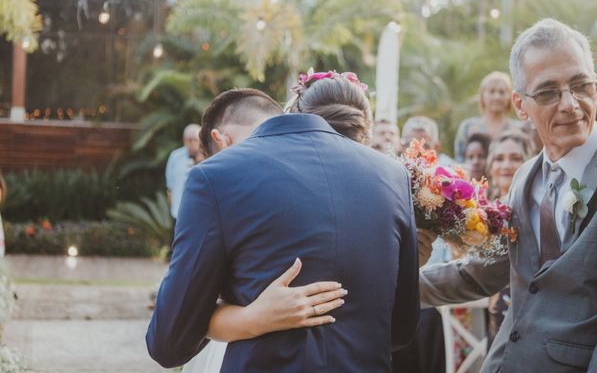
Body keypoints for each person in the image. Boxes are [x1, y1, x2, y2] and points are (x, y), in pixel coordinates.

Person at [146, 78, 420, 371]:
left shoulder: (213, 177)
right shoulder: (393, 175)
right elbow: (401, 328)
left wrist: (234, 317)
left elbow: (168, 341)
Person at [419, 18, 597, 371]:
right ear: (520, 105)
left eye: (581, 85)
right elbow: (481, 273)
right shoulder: (525, 178)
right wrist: (387, 282)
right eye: (549, 92)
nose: (570, 103)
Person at [483, 130, 534, 345]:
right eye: (499, 158)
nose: (506, 166)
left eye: (515, 158)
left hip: (524, 307)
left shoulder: (536, 209)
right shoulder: (479, 207)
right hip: (489, 306)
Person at [453, 71, 521, 163]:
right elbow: (459, 161)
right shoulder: (467, 127)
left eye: (502, 92)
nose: (497, 97)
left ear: (510, 96)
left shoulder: (518, 129)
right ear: (482, 96)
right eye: (491, 92)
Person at [165, 124, 201, 221]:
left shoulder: (208, 157)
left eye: (195, 140)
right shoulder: (175, 156)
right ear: (184, 140)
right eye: (189, 140)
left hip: (199, 214)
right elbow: (170, 186)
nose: (192, 143)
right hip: (177, 213)